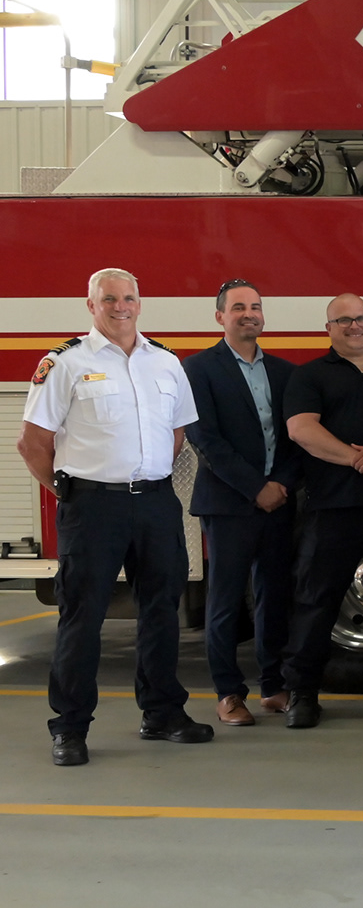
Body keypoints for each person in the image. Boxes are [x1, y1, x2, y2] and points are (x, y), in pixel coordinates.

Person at [17, 268, 211, 766]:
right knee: (82, 617)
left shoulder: (166, 362)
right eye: (109, 299)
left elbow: (176, 433)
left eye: (128, 298)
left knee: (162, 611)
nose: (120, 307)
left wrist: (147, 476)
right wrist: (67, 491)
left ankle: (162, 712)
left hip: (155, 502)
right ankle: (70, 728)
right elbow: (32, 442)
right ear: (91, 305)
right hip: (92, 507)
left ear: (139, 304)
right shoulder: (65, 363)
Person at [281, 294, 363, 729]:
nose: (354, 326)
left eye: (361, 319)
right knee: (314, 602)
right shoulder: (309, 375)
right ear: (329, 329)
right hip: (332, 508)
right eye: (343, 320)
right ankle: (303, 692)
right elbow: (302, 430)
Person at [182, 279, 303, 727]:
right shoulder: (198, 369)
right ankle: (229, 693)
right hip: (229, 504)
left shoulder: (285, 373)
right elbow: (205, 439)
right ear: (220, 317)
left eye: (255, 306)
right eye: (238, 307)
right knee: (226, 603)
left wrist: (282, 484)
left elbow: (296, 437)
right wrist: (256, 488)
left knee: (275, 598)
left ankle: (273, 687)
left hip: (279, 502)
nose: (248, 314)